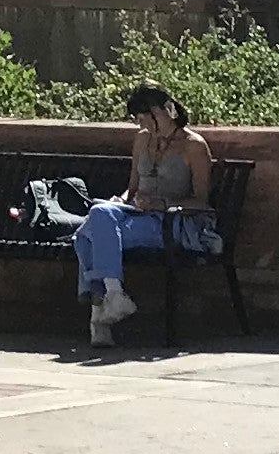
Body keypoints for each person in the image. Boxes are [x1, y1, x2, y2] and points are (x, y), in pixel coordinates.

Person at [76, 85, 225, 346]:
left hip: (170, 221)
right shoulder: (143, 139)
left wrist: (162, 203)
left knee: (85, 237)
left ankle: (99, 315)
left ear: (163, 111)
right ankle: (114, 295)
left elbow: (201, 201)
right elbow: (132, 186)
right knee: (100, 213)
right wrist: (121, 200)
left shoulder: (193, 146)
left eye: (145, 118)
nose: (142, 124)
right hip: (135, 212)